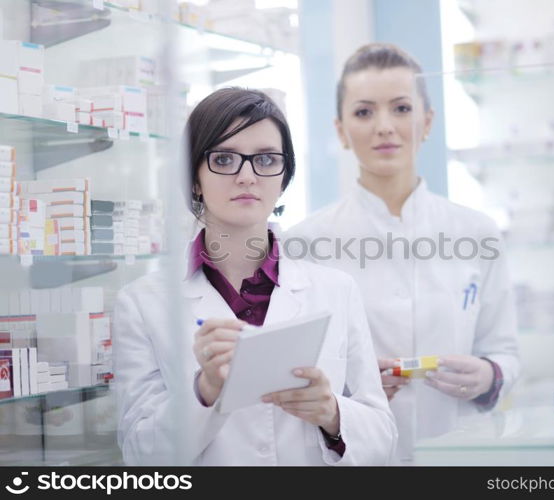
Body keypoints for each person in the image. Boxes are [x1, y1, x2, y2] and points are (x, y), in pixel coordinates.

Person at [113, 87, 397, 465]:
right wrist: (204, 391)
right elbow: (140, 453)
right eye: (225, 159)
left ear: (283, 177)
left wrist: (331, 412)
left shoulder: (336, 290)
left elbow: (383, 437)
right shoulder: (142, 303)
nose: (247, 176)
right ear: (193, 178)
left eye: (265, 159)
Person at [285, 43, 519, 462]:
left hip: (459, 451)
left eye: (401, 108)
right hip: (355, 458)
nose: (384, 126)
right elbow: (292, 373)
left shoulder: (477, 233)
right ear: (340, 130)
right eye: (363, 112)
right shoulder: (303, 244)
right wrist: (347, 390)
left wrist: (489, 374)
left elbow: (504, 349)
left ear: (427, 122)